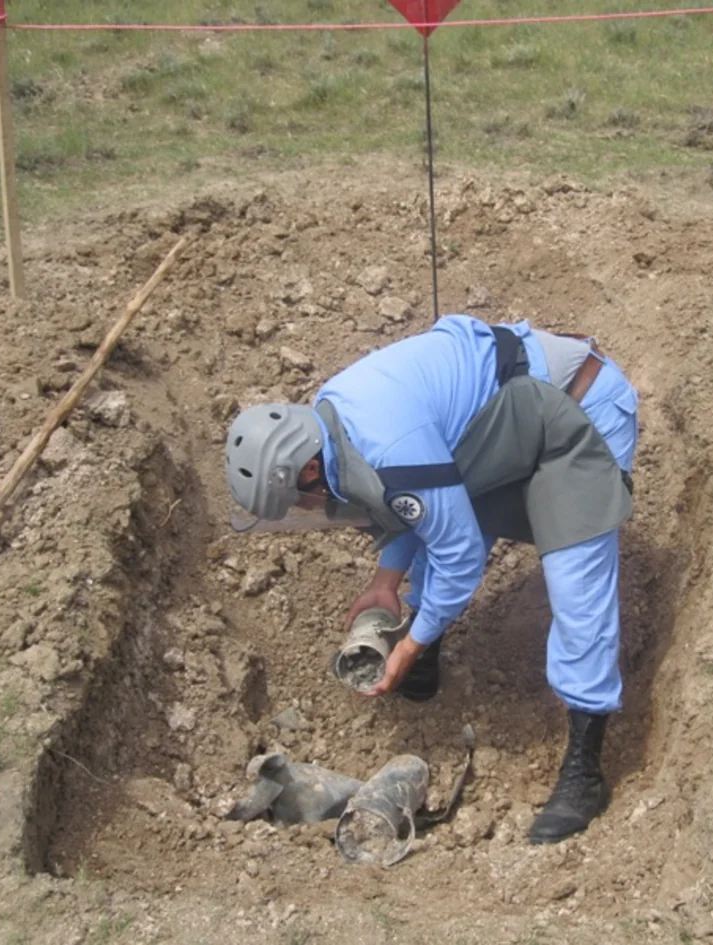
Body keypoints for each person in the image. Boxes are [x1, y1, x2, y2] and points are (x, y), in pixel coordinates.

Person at [224, 314, 638, 844]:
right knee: (439, 530)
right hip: (506, 422)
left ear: (306, 470)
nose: (307, 508)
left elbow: (458, 551)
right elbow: (410, 499)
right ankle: (429, 647)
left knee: (574, 581)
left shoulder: (385, 441)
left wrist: (412, 644)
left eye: (299, 500)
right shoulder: (329, 419)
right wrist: (385, 583)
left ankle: (585, 768)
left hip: (579, 410)